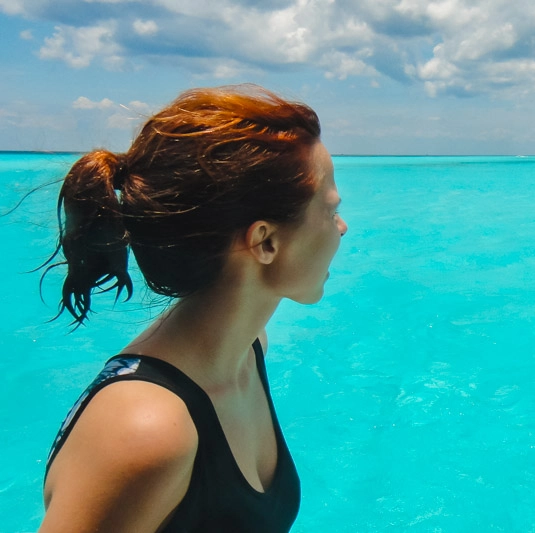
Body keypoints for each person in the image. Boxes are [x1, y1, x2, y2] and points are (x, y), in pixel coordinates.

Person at [39, 84, 347, 532]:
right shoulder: (147, 432)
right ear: (265, 241)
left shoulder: (246, 351)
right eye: (330, 209)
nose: (342, 227)